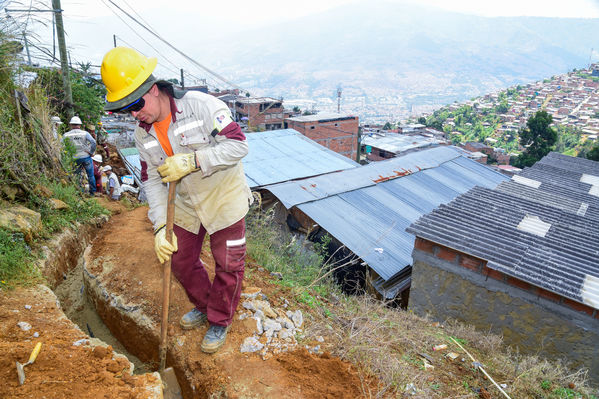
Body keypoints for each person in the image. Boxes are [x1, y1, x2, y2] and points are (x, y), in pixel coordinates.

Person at [100, 47, 253, 353]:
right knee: (179, 260)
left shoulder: (201, 106)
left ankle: (220, 319)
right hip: (185, 204)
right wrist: (159, 228)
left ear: (153, 90)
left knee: (228, 265)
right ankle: (206, 304)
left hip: (224, 199)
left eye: (136, 104)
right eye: (125, 109)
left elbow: (238, 146)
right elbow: (152, 180)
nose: (133, 113)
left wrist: (193, 161)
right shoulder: (143, 135)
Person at [63, 116, 97, 195]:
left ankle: (80, 192)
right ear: (80, 125)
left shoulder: (66, 135)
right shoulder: (85, 133)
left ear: (71, 125)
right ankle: (92, 192)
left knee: (77, 175)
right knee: (91, 175)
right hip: (86, 157)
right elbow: (93, 142)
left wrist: (67, 154)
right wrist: (91, 152)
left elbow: (61, 145)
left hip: (75, 158)